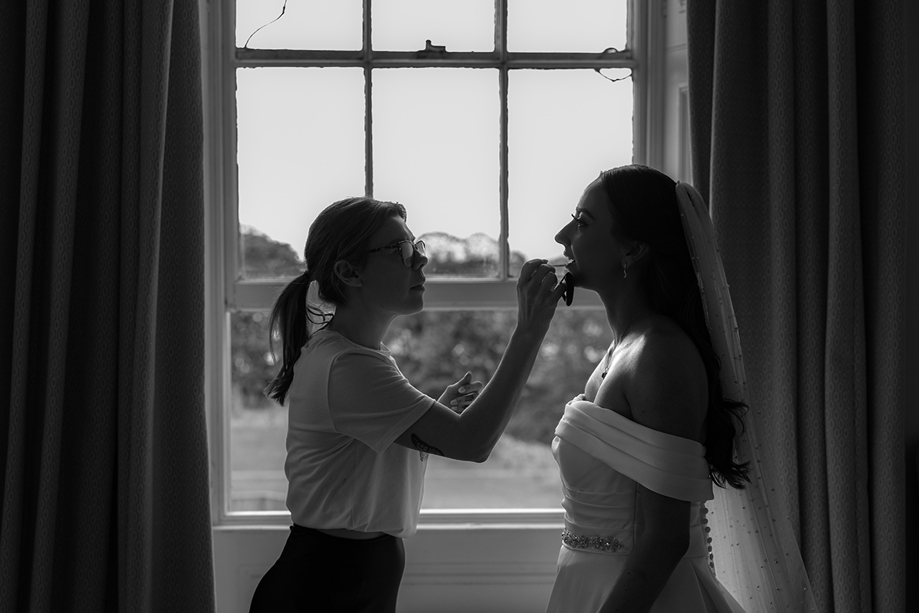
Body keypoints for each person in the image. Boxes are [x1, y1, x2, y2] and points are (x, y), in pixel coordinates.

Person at [248, 196, 566, 613]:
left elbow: (368, 462)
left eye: (416, 246)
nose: (422, 260)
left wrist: (433, 414)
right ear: (349, 271)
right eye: (401, 250)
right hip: (329, 583)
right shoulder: (348, 366)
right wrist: (529, 330)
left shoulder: (359, 356)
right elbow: (472, 443)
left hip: (347, 574)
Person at [546, 165, 816, 613]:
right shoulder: (621, 349)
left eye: (583, 221)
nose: (561, 235)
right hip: (587, 588)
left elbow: (665, 539)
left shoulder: (660, 356)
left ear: (632, 248)